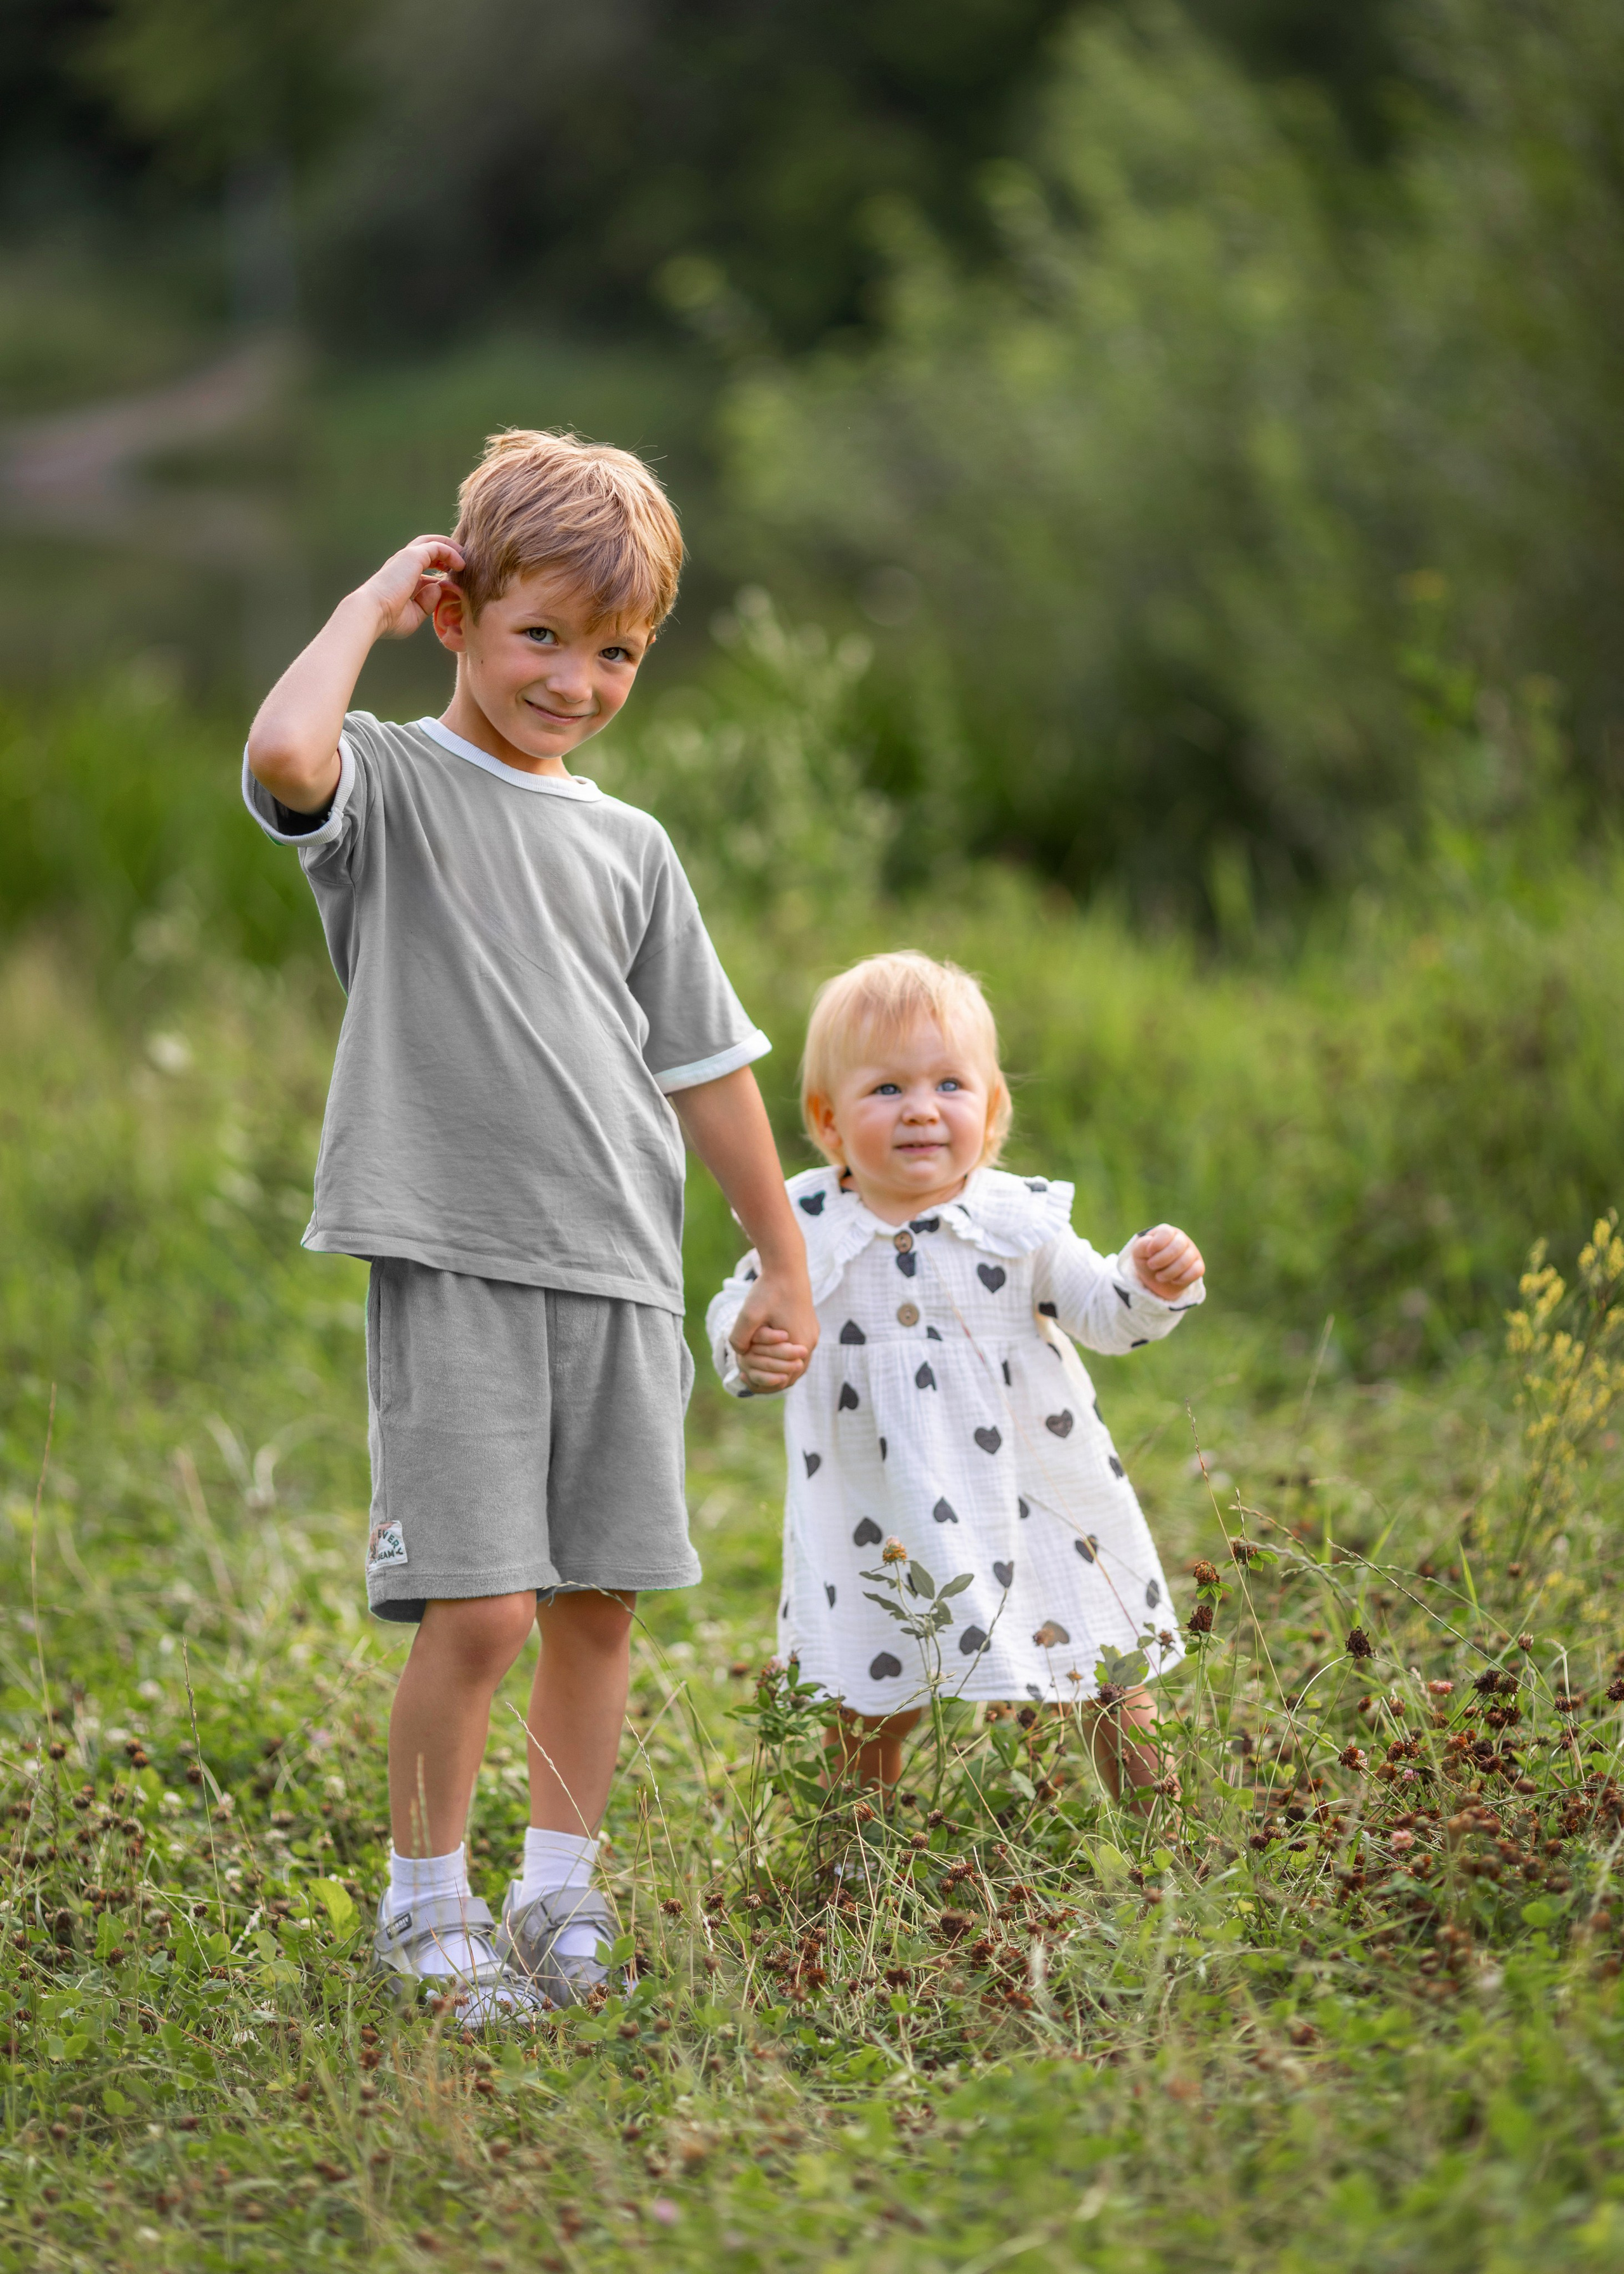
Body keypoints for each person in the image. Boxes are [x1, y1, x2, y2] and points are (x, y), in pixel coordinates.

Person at [243, 429, 816, 2018]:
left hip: (620, 1265)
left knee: (597, 1604)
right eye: (540, 636)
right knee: (482, 1607)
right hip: (456, 1255)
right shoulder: (389, 784)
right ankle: (423, 1913)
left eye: (614, 651)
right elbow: (284, 752)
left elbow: (707, 1069)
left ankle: (557, 1894)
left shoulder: (632, 845)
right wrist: (365, 602)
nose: (575, 680)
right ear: (456, 616)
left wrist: (781, 1253)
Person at [706, 950, 1204, 1802]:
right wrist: (750, 1349)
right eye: (886, 1088)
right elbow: (742, 1306)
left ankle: (1161, 1832)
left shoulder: (1016, 1220)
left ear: (993, 1107)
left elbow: (1101, 1312)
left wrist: (1149, 1282)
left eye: (949, 1085)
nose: (921, 1109)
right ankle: (852, 1852)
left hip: (1032, 1497)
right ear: (828, 1120)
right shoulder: (804, 1228)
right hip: (878, 1513)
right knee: (869, 1698)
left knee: (1103, 1670)